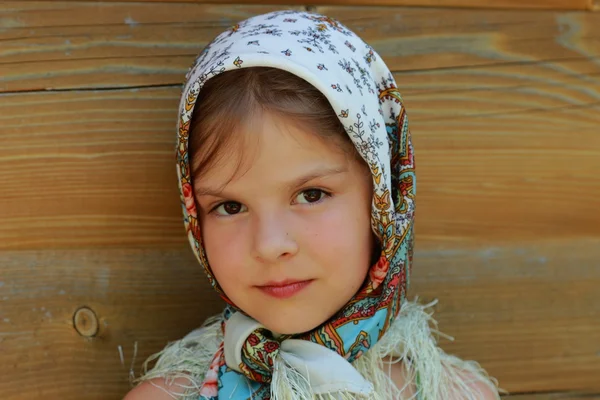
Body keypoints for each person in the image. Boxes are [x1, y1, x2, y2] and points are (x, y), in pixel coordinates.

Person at [124, 10, 504, 400]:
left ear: (383, 201)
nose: (271, 245)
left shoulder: (450, 393)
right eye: (231, 206)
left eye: (311, 194)